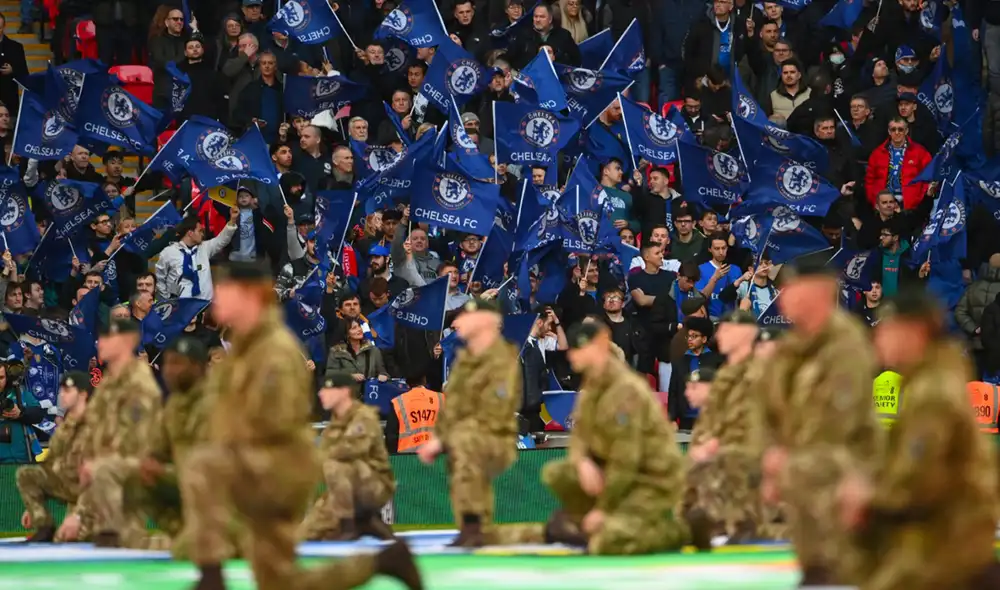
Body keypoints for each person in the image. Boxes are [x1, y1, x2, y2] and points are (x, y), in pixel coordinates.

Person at [179, 261, 421, 590]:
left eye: (225, 293)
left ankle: (212, 575)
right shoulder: (243, 347)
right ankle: (382, 562)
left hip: (276, 467)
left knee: (203, 466)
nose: (217, 301)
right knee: (280, 581)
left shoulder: (275, 350)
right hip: (259, 463)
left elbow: (276, 422)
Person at [838, 291, 1000, 590]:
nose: (879, 338)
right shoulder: (924, 377)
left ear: (915, 332)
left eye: (888, 328)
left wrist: (868, 497)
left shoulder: (933, 391)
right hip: (938, 524)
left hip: (946, 535)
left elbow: (920, 477)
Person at [492, 321, 697, 553]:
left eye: (580, 349)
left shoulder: (626, 390)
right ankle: (581, 520)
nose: (573, 357)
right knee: (560, 472)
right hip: (611, 471)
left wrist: (604, 509)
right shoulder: (592, 386)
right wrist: (582, 461)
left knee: (607, 544)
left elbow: (627, 457)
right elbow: (580, 436)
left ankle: (671, 531)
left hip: (646, 479)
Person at [760, 257, 882, 585]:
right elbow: (769, 408)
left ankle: (841, 562)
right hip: (804, 456)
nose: (785, 298)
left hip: (845, 457)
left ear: (821, 293)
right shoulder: (791, 347)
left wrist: (788, 453)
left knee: (809, 465)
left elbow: (839, 417)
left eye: (793, 289)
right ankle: (816, 565)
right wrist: (771, 452)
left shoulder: (846, 342)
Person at [416, 298, 521, 547]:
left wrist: (449, 437)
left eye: (468, 316)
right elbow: (451, 407)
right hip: (466, 434)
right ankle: (471, 524)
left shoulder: (502, 359)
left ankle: (475, 525)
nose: (459, 321)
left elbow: (494, 411)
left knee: (465, 443)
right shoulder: (463, 360)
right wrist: (438, 436)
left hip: (496, 437)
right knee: (459, 452)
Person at [129, 337, 229, 557]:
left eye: (177, 364)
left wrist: (162, 471)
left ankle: (221, 537)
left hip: (222, 496)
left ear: (197, 367)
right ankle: (183, 531)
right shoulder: (174, 404)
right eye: (167, 364)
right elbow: (158, 448)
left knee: (184, 553)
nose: (168, 371)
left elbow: (211, 469)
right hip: (186, 487)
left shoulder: (216, 402)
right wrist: (148, 462)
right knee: (134, 474)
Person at [682, 310, 767, 546]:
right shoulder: (725, 374)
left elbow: (754, 421)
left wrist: (715, 445)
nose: (719, 335)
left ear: (746, 334)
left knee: (726, 460)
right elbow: (712, 419)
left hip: (755, 447)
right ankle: (702, 522)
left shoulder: (760, 372)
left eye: (727, 329)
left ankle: (741, 523)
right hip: (726, 445)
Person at [76, 319, 163, 548]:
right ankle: (91, 526)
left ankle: (119, 535)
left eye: (109, 338)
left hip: (138, 464)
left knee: (130, 540)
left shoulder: (139, 381)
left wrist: (99, 460)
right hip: (108, 466)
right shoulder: (107, 383)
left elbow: (137, 439)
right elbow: (92, 426)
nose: (101, 343)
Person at [299, 372, 396, 542]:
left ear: (344, 392)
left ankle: (349, 525)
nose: (321, 393)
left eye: (328, 389)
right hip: (344, 491)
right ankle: (367, 523)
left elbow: (352, 449)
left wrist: (317, 459)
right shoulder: (333, 426)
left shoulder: (364, 416)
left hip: (373, 485)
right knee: (307, 533)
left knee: (336, 463)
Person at [16, 372, 95, 543]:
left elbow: (97, 477)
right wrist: (34, 506)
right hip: (70, 487)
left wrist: (78, 516)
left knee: (75, 540)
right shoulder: (66, 427)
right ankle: (44, 526)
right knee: (27, 475)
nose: (61, 394)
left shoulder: (97, 425)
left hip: (93, 496)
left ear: (83, 394)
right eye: (61, 390)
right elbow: (48, 465)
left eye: (67, 390)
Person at [386, 373, 444, 454]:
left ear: (407, 383)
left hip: (406, 459)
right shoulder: (441, 398)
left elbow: (391, 436)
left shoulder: (398, 402)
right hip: (436, 456)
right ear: (424, 380)